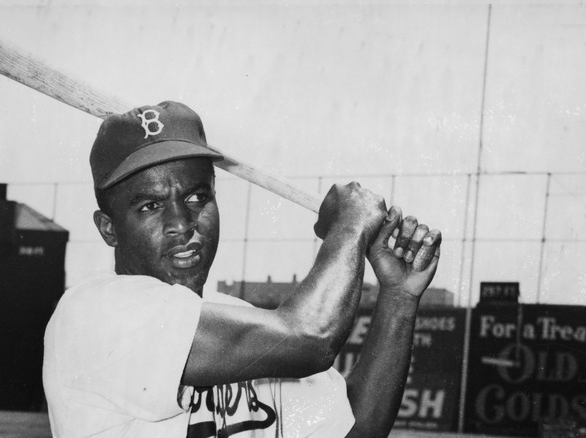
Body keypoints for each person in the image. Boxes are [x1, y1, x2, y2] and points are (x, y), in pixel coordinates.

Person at [43, 101, 442, 437]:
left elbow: (357, 428)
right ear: (109, 229)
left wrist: (399, 296)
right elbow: (310, 336)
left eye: (198, 196)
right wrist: (350, 226)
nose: (182, 223)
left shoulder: (244, 324)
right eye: (150, 206)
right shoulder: (93, 314)